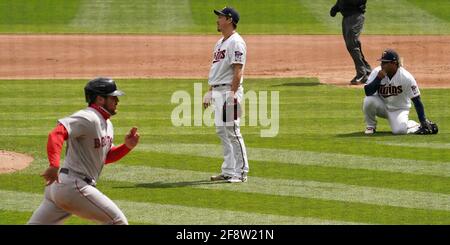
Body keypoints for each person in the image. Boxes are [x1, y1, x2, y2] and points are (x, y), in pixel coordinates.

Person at [28, 77, 140, 225]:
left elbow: (104, 157)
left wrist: (126, 147)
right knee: (118, 222)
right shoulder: (88, 117)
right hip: (74, 186)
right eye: (113, 97)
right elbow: (56, 133)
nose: (117, 101)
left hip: (61, 187)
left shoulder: (107, 123)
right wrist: (53, 165)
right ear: (100, 99)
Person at [203, 7, 249, 183]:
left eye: (220, 17)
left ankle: (241, 172)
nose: (217, 20)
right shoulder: (220, 42)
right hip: (218, 91)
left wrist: (232, 94)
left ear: (229, 20)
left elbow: (238, 70)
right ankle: (229, 170)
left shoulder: (236, 42)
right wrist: (209, 92)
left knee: (233, 131)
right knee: (222, 131)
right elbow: (217, 70)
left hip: (230, 91)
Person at [363, 49, 437, 135]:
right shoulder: (377, 72)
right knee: (369, 100)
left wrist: (423, 121)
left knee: (399, 131)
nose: (382, 65)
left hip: (399, 109)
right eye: (381, 62)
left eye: (385, 63)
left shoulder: (406, 77)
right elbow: (368, 92)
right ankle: (370, 126)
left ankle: (413, 125)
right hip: (382, 106)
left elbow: (417, 100)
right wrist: (378, 78)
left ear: (394, 63)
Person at [330, 0, 372, 85]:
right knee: (352, 44)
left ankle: (361, 73)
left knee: (352, 44)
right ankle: (366, 70)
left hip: (356, 17)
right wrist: (335, 8)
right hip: (346, 19)